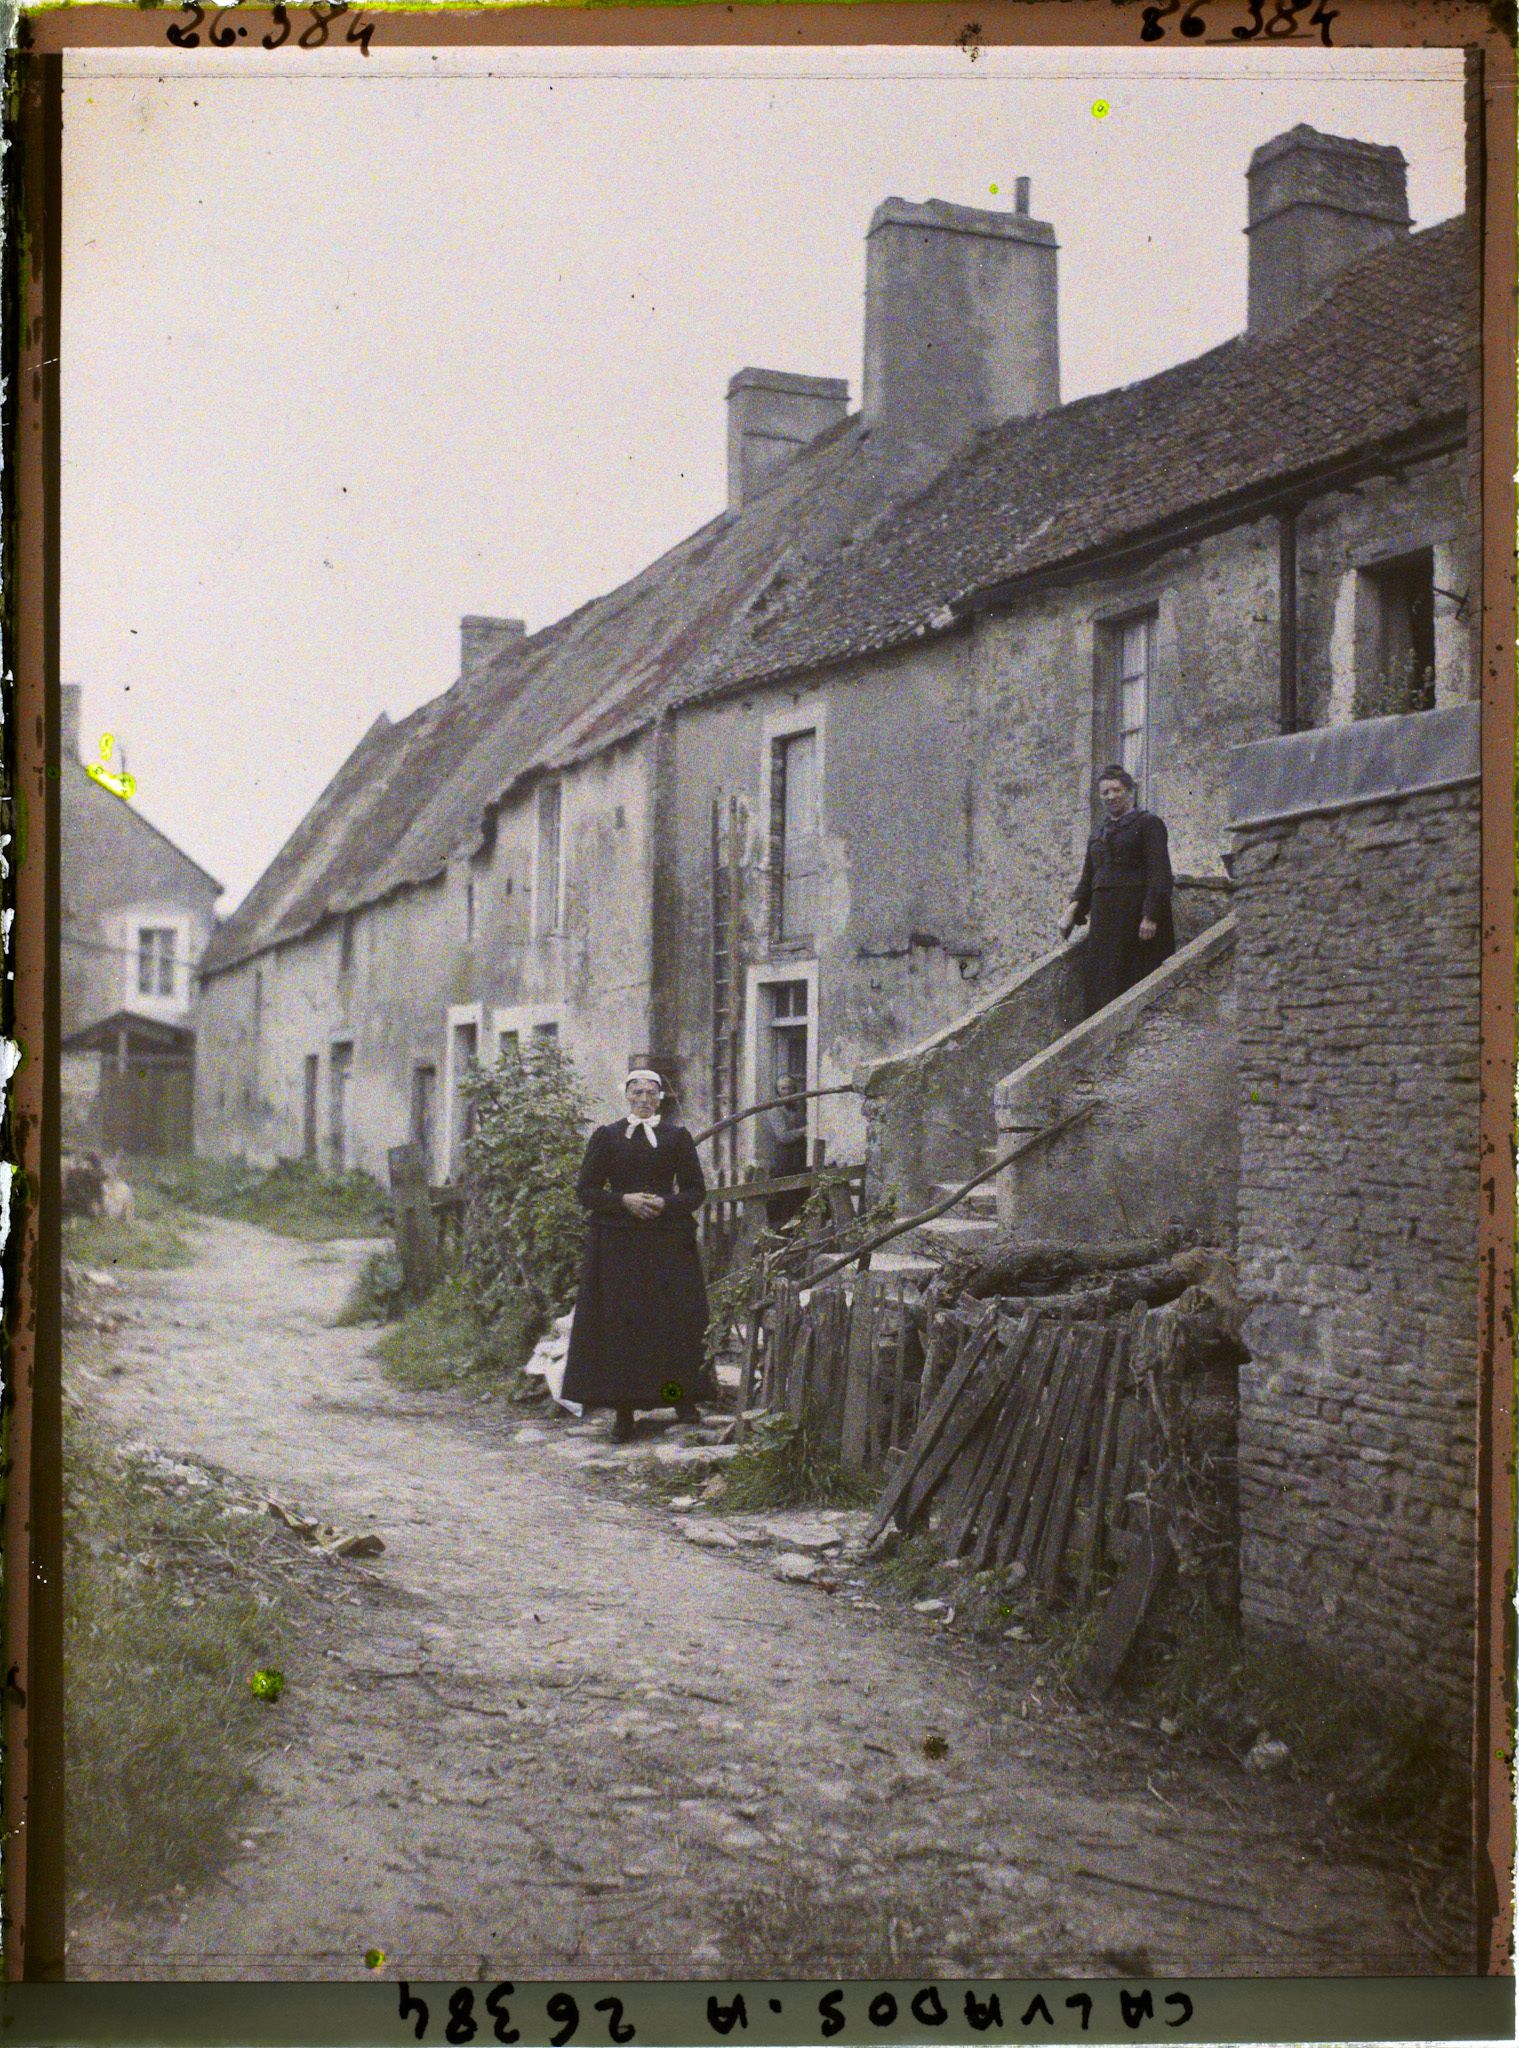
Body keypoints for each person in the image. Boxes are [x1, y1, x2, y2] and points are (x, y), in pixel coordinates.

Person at [561, 1069, 715, 1443]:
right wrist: (623, 1201)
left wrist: (667, 1203)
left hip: (667, 1244)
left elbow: (696, 1191)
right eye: (637, 1093)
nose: (644, 1099)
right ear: (626, 1096)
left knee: (673, 1320)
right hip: (619, 1246)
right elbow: (586, 1192)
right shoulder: (608, 1137)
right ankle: (624, 1412)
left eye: (651, 1093)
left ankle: (680, 1400)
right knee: (623, 1325)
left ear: (660, 1098)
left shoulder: (677, 1138)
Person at [1058, 765, 1176, 1018]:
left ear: (1130, 792)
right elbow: (1089, 878)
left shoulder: (1148, 824)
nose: (1110, 797)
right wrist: (1072, 909)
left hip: (1135, 917)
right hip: (1105, 920)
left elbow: (1160, 873)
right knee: (1103, 981)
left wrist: (1151, 915)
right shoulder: (1098, 833)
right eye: (1105, 792)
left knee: (1132, 974)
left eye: (1116, 790)